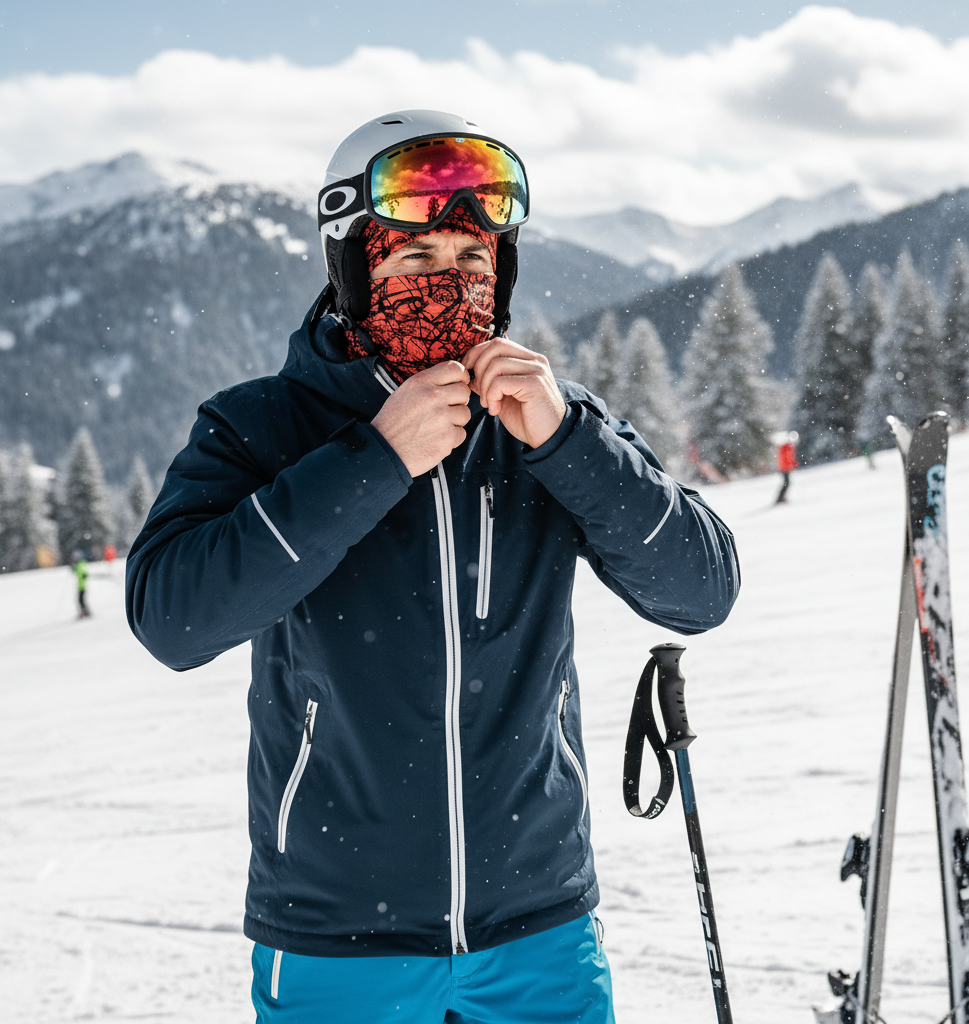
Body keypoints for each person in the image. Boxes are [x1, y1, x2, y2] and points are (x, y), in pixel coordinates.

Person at [125, 110, 739, 1023]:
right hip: (338, 936)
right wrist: (373, 458)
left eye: (473, 264)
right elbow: (173, 620)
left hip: (539, 926)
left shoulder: (546, 420)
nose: (448, 287)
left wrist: (569, 442)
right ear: (352, 269)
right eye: (414, 262)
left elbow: (700, 592)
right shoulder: (261, 425)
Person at [775, 431, 799, 503]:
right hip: (785, 468)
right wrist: (794, 464)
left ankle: (781, 498)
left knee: (786, 483)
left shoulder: (785, 447)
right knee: (786, 483)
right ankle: (780, 498)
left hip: (783, 467)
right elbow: (788, 458)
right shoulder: (787, 447)